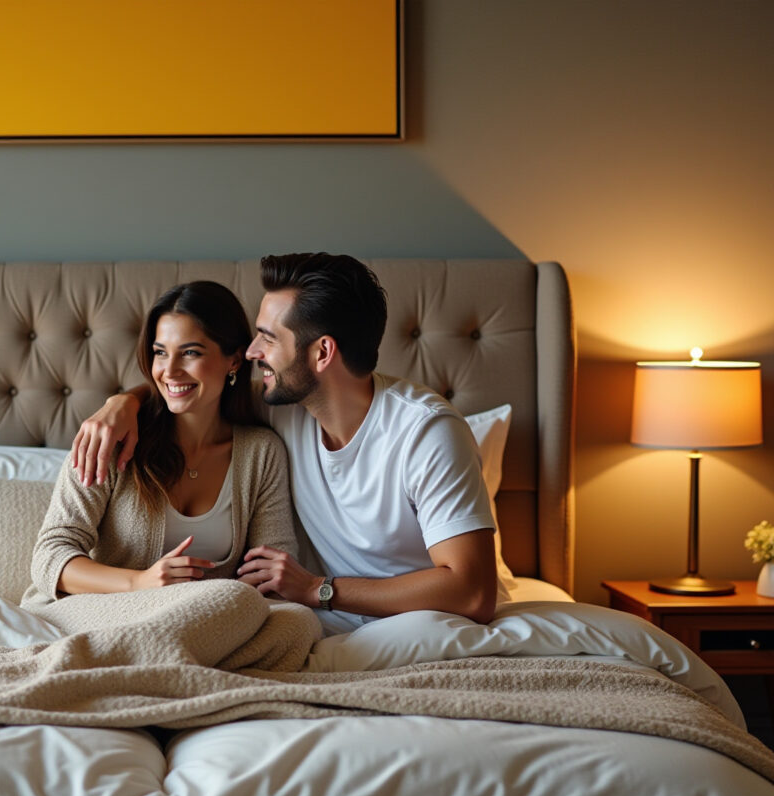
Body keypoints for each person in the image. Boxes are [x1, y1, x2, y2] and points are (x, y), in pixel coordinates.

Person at [69, 253, 503, 632]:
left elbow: (472, 593)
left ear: (322, 353)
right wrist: (123, 402)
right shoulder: (282, 405)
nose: (253, 351)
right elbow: (191, 387)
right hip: (322, 625)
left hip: (420, 625)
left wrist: (318, 589)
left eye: (269, 338)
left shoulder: (426, 432)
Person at [22, 281, 296, 608]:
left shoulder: (261, 453)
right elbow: (50, 558)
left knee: (296, 622)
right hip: (100, 612)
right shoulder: (113, 438)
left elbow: (272, 572)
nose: (169, 371)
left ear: (234, 360)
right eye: (160, 352)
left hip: (204, 619)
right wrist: (140, 583)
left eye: (191, 352)